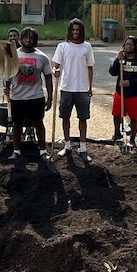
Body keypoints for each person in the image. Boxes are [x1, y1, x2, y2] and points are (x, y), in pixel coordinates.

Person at [52, 18, 95, 163]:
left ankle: (83, 148)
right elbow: (56, 65)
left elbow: (90, 67)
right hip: (66, 87)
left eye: (78, 30)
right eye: (73, 30)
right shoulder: (62, 46)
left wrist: (90, 87)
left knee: (83, 118)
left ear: (81, 31)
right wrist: (55, 70)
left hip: (82, 89)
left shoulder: (87, 47)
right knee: (65, 117)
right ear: (69, 31)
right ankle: (67, 145)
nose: (75, 32)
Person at [8, 27, 53, 161]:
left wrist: (50, 98)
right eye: (26, 37)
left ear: (35, 40)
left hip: (36, 97)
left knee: (38, 124)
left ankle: (42, 151)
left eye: (31, 37)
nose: (28, 40)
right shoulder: (13, 55)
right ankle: (16, 151)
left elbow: (48, 78)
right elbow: (6, 73)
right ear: (21, 39)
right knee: (17, 126)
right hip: (17, 97)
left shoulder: (42, 57)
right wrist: (7, 87)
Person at [108, 35, 137, 148]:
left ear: (135, 46)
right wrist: (117, 59)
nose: (128, 46)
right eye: (126, 44)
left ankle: (132, 139)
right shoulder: (121, 58)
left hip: (135, 94)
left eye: (130, 44)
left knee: (133, 117)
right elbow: (112, 72)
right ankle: (117, 133)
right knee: (116, 114)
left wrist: (130, 83)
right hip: (120, 92)